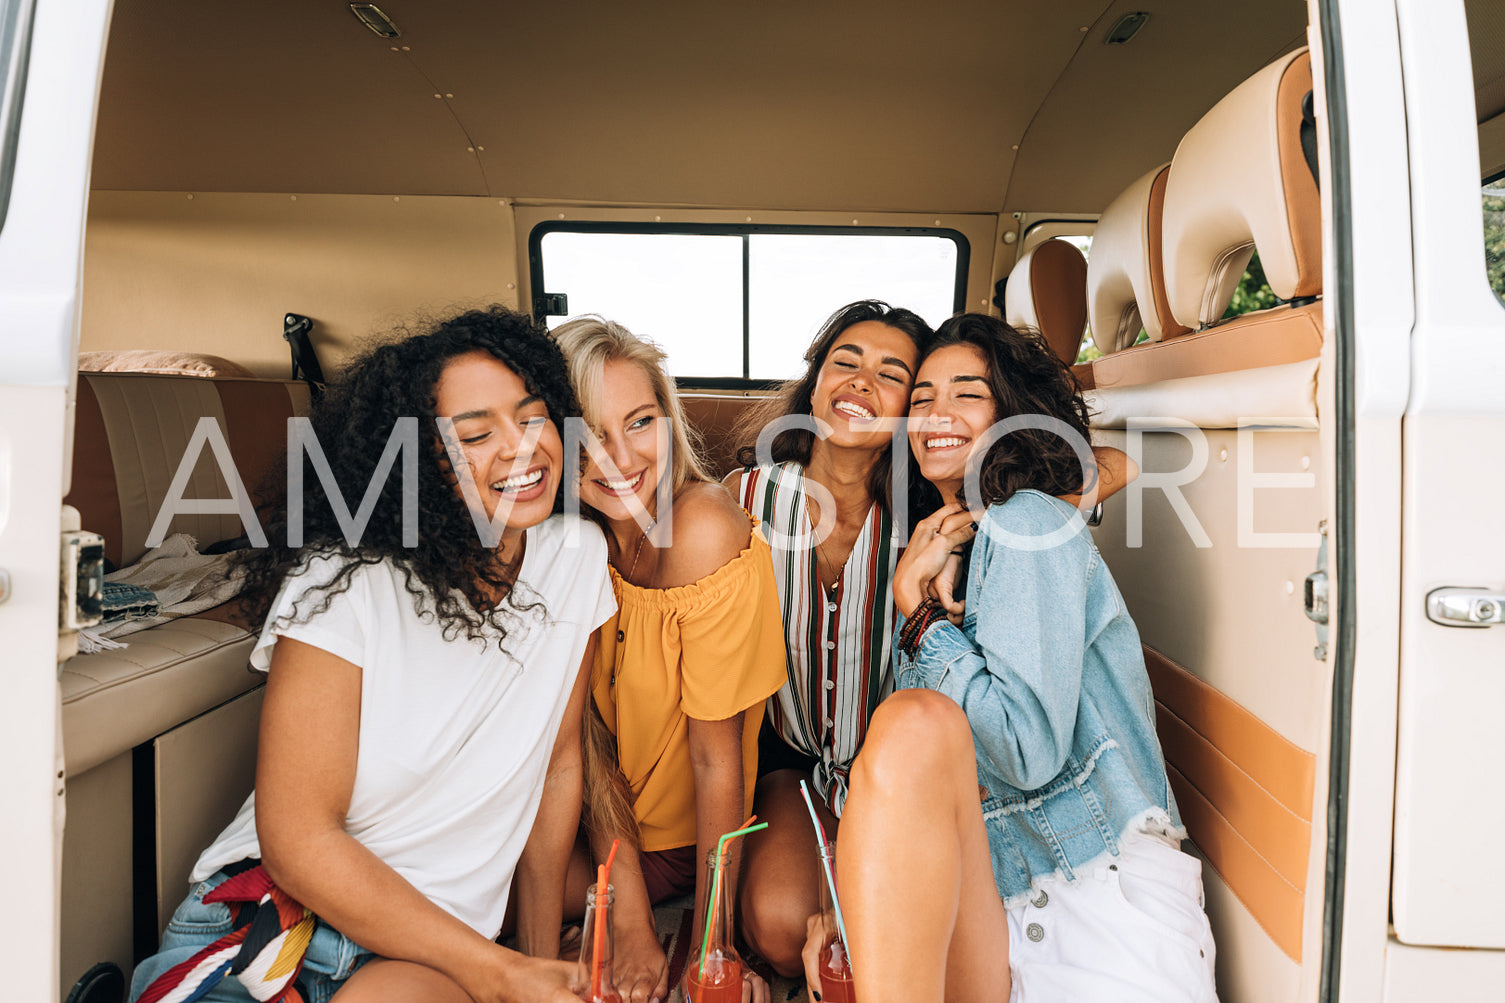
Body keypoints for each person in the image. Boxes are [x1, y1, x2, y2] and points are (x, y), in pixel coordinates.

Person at [128, 307, 615, 1003]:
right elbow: (297, 838)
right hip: (277, 923)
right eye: (475, 434)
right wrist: (501, 972)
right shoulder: (344, 581)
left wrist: (533, 964)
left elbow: (555, 766)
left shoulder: (576, 558)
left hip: (430, 956)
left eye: (533, 416)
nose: (521, 447)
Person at [728, 301, 1136, 977]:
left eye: (891, 375)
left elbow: (1115, 464)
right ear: (814, 385)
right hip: (797, 763)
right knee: (777, 929)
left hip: (905, 774)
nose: (860, 382)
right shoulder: (743, 498)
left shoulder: (939, 503)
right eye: (845, 362)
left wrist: (987, 514)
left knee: (869, 946)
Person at [822, 313, 1217, 1002]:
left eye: (965, 393)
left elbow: (1024, 749)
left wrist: (916, 619)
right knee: (912, 726)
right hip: (1000, 897)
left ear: (1009, 414)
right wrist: (858, 901)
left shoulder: (1027, 520)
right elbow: (922, 782)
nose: (934, 413)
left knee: (914, 719)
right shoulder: (941, 546)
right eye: (919, 399)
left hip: (1094, 892)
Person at [553, 316, 786, 1003]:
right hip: (598, 820)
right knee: (451, 882)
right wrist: (623, 916)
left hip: (683, 839)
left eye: (639, 421)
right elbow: (584, 743)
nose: (618, 457)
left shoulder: (704, 529)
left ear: (669, 420)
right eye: (588, 433)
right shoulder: (572, 540)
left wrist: (711, 943)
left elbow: (719, 761)